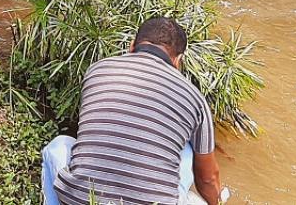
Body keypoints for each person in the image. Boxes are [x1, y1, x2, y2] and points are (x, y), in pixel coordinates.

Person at [42, 17, 225, 205]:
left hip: (80, 200)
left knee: (58, 145)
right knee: (188, 151)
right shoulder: (195, 98)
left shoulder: (97, 70)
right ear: (178, 60)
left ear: (132, 46)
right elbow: (208, 178)